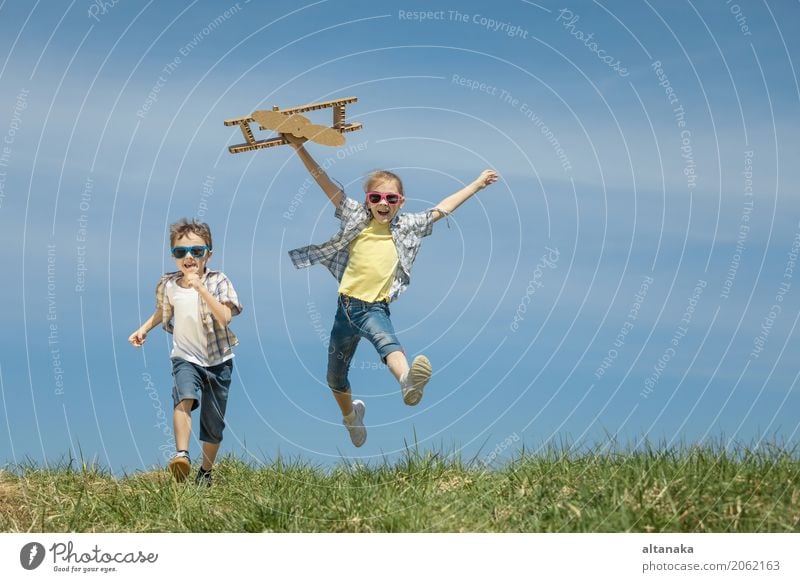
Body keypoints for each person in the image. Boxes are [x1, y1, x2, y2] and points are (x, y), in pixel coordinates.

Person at [285, 133, 498, 447]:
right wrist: (299, 147)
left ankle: (407, 382)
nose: (383, 204)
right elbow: (323, 181)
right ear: (367, 199)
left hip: (373, 308)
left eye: (391, 199)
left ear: (401, 202)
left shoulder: (407, 226)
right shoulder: (355, 217)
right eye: (376, 198)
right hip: (345, 309)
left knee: (388, 343)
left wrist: (477, 184)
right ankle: (350, 417)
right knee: (334, 377)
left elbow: (442, 208)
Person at [128, 219, 242, 485]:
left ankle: (205, 472)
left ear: (208, 254)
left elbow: (225, 316)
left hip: (219, 361)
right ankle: (182, 455)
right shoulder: (168, 284)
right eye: (181, 252)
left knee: (213, 423)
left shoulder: (218, 281)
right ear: (174, 256)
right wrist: (144, 329)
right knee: (183, 397)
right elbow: (163, 311)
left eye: (196, 251)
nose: (188, 257)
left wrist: (200, 287)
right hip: (184, 357)